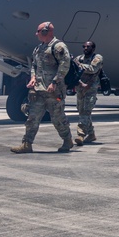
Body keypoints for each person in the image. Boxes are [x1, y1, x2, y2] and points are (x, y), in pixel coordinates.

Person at [11, 22, 74, 153]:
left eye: (38, 31)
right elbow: (34, 65)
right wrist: (33, 78)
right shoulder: (38, 48)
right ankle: (27, 144)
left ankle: (67, 140)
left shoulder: (59, 47)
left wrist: (55, 82)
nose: (36, 34)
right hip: (38, 90)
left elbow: (64, 66)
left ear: (46, 32)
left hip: (53, 91)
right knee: (32, 118)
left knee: (58, 118)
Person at [73, 40, 104, 146]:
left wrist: (79, 66)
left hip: (91, 89)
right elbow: (74, 71)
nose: (86, 48)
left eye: (88, 47)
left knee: (86, 112)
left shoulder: (97, 58)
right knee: (82, 112)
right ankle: (91, 134)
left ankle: (80, 135)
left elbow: (92, 69)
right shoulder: (79, 58)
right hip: (80, 88)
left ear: (93, 48)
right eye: (84, 46)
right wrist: (80, 83)